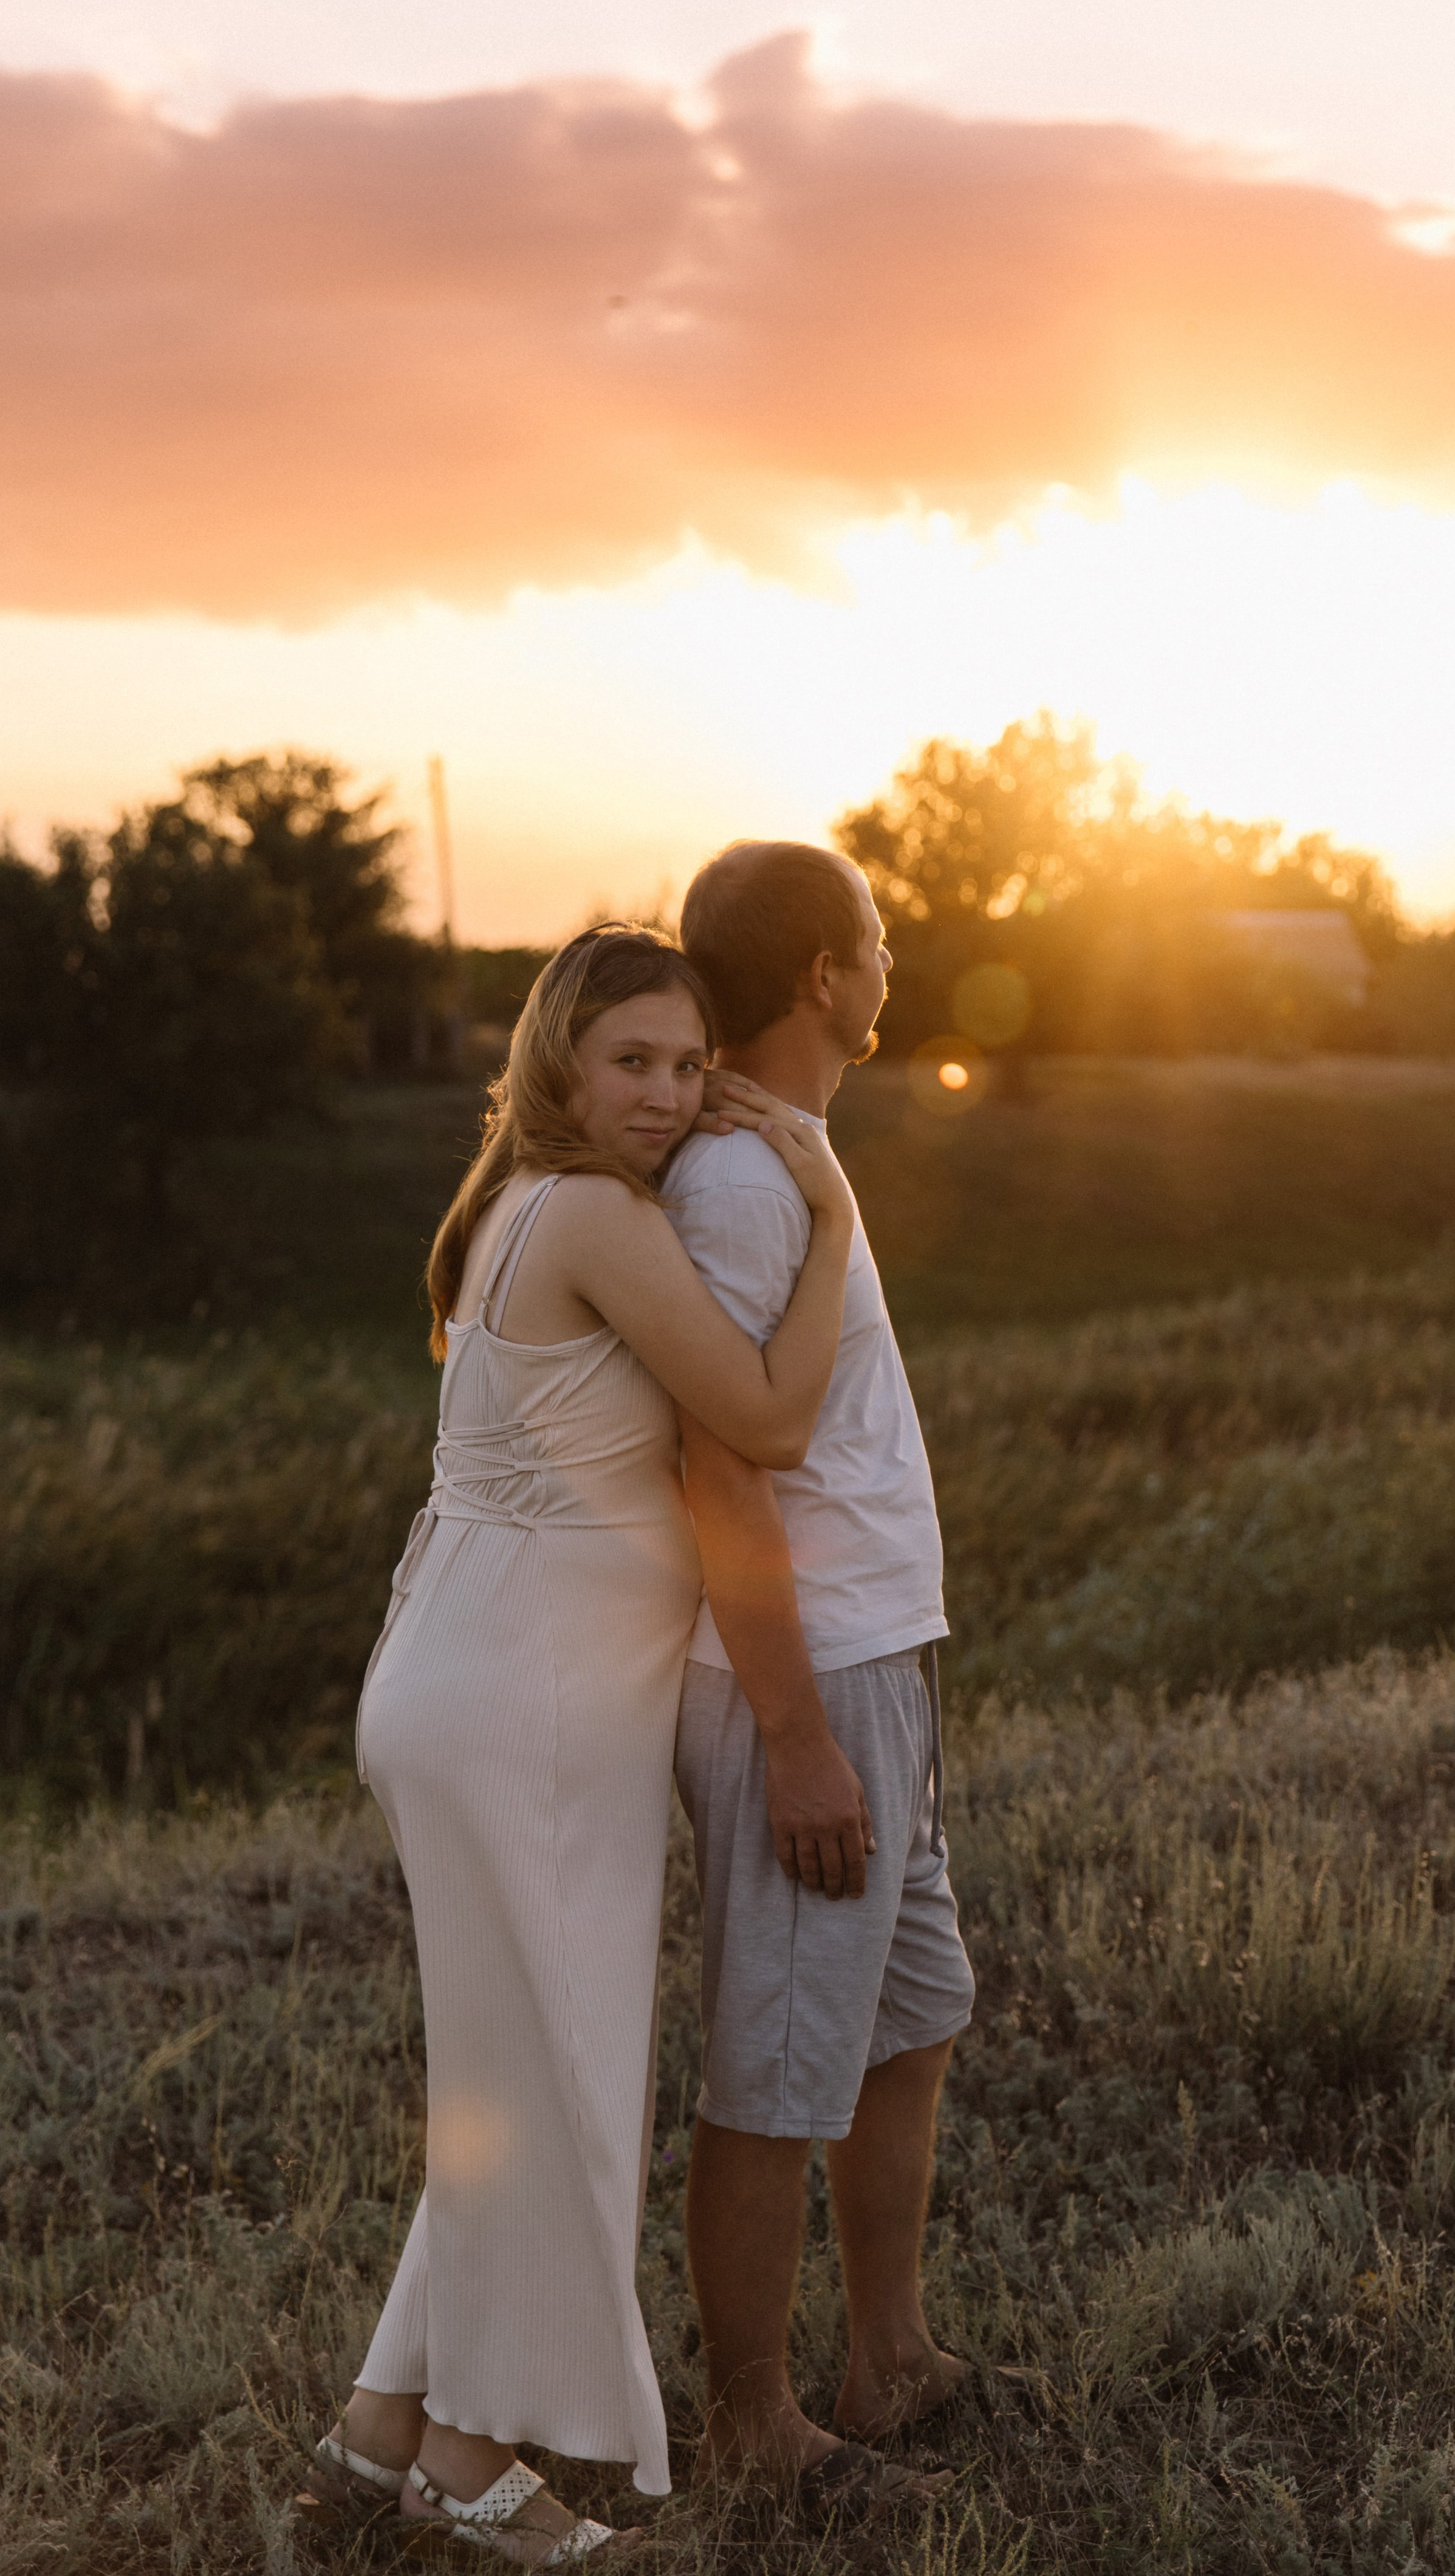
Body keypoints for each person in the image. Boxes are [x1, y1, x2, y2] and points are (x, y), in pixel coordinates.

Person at [301, 925, 855, 2567]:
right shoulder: (599, 1217)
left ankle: (381, 2431)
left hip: (474, 1680)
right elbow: (765, 1418)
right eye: (635, 1062)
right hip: (523, 1706)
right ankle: (478, 2466)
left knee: (511, 2074)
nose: (670, 1097)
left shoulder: (506, 1204)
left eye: (690, 1067)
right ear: (559, 1058)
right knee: (555, 2084)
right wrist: (832, 1213)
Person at [663, 841, 976, 2511]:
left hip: (878, 1661)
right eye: (872, 938)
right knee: (778, 2060)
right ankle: (756, 2429)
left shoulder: (790, 1155)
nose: (889, 960)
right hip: (806, 1682)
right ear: (818, 978)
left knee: (908, 2019)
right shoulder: (734, 1185)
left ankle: (889, 2358)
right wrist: (791, 1736)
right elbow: (719, 1470)